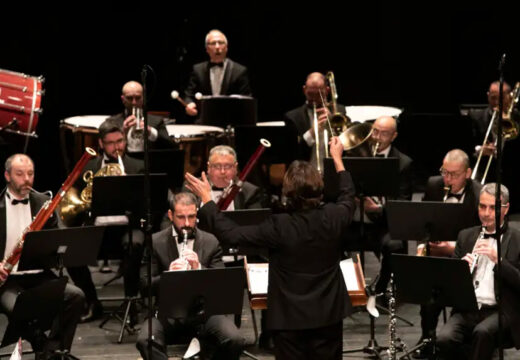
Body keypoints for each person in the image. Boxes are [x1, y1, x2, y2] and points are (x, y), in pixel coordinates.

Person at [185, 137, 356, 360]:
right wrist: (337, 160)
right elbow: (348, 195)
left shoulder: (279, 226)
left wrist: (207, 200)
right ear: (319, 187)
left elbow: (231, 234)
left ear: (288, 192)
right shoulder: (334, 216)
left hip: (289, 317)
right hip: (328, 313)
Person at [136, 192, 246, 360]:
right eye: (181, 217)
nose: (187, 223)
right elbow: (144, 285)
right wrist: (168, 276)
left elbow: (221, 286)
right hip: (167, 313)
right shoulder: (155, 242)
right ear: (171, 215)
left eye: (192, 217)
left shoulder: (211, 242)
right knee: (145, 340)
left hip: (203, 313)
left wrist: (199, 269)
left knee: (235, 339)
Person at [0, 154, 84, 355]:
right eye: (20, 174)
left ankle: (53, 351)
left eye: (30, 174)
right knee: (22, 309)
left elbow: (59, 236)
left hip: (39, 276)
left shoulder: (44, 202)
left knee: (76, 296)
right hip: (8, 281)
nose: (26, 179)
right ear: (7, 176)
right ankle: (44, 347)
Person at [66, 118, 145, 322]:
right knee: (71, 253)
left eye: (120, 141)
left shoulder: (138, 167)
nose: (116, 147)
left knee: (135, 244)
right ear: (101, 144)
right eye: (110, 143)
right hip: (98, 229)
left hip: (128, 227)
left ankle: (131, 302)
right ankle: (92, 302)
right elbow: (75, 198)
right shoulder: (88, 167)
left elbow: (146, 205)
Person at [436, 183, 520, 360]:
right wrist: (461, 270)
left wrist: (499, 261)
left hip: (500, 310)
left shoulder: (517, 238)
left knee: (482, 333)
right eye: (482, 206)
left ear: (506, 208)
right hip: (467, 309)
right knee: (444, 339)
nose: (486, 213)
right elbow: (448, 283)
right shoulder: (465, 236)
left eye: (492, 207)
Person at [413, 149, 482, 358]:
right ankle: (427, 336)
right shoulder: (434, 184)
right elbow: (424, 223)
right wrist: (422, 245)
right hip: (438, 255)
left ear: (468, 173)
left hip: (468, 260)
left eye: (454, 174)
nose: (448, 178)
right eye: (445, 172)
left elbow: (483, 239)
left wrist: (451, 249)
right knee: (429, 290)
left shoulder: (479, 195)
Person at [348, 116, 412, 296]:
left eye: (384, 133)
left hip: (385, 223)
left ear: (394, 136)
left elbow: (403, 202)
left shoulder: (403, 163)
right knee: (330, 237)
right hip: (357, 221)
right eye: (374, 131)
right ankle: (347, 288)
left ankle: (380, 288)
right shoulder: (355, 156)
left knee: (395, 245)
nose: (377, 137)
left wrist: (378, 209)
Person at [183, 29, 252, 118]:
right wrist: (190, 104)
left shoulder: (239, 71)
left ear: (226, 47)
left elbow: (246, 99)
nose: (217, 47)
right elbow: (189, 95)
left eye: (221, 43)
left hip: (231, 121)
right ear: (207, 49)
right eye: (213, 43)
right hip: (204, 121)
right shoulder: (198, 70)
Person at [284, 72, 347, 165]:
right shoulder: (292, 117)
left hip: (334, 170)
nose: (314, 98)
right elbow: (292, 153)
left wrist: (332, 125)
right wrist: (312, 132)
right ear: (304, 90)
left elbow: (346, 148)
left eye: (319, 94)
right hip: (305, 173)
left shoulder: (339, 111)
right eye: (310, 94)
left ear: (327, 90)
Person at [106, 80, 173, 155]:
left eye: (138, 98)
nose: (134, 102)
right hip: (124, 163)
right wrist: (123, 133)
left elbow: (172, 146)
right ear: (123, 99)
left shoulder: (156, 121)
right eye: (129, 98)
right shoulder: (112, 122)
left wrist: (151, 132)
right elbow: (106, 150)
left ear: (143, 98)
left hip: (149, 164)